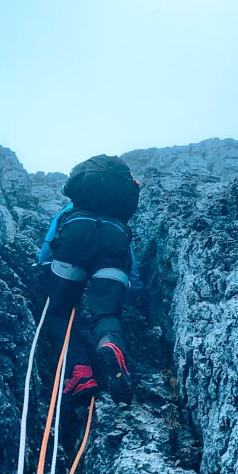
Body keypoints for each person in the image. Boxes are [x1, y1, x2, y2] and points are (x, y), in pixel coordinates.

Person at [37, 155, 142, 405]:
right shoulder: (118, 222)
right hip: (113, 243)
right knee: (106, 316)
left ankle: (79, 372)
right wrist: (123, 295)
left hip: (75, 236)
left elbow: (47, 250)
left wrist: (47, 270)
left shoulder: (70, 211)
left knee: (58, 313)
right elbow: (132, 272)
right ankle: (111, 346)